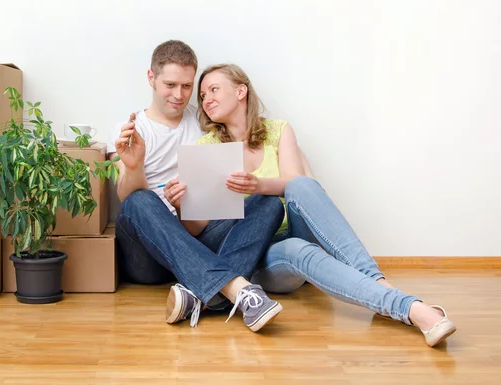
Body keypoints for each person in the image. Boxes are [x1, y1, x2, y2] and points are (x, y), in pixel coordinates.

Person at [162, 63, 456, 347]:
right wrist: (183, 206)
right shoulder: (207, 148)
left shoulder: (278, 130)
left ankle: (379, 283)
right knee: (299, 251)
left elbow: (295, 181)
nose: (206, 99)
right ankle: (409, 307)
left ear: (241, 91)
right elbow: (199, 229)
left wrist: (258, 185)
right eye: (202, 96)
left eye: (213, 89)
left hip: (295, 227)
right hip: (260, 255)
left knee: (301, 185)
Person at [108, 41, 285, 332]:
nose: (179, 95)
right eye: (170, 84)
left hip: (197, 234)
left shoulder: (204, 121)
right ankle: (237, 289)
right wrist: (133, 164)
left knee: (268, 204)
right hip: (149, 254)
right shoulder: (130, 129)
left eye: (187, 86)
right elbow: (126, 199)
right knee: (139, 201)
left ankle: (201, 296)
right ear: (151, 78)